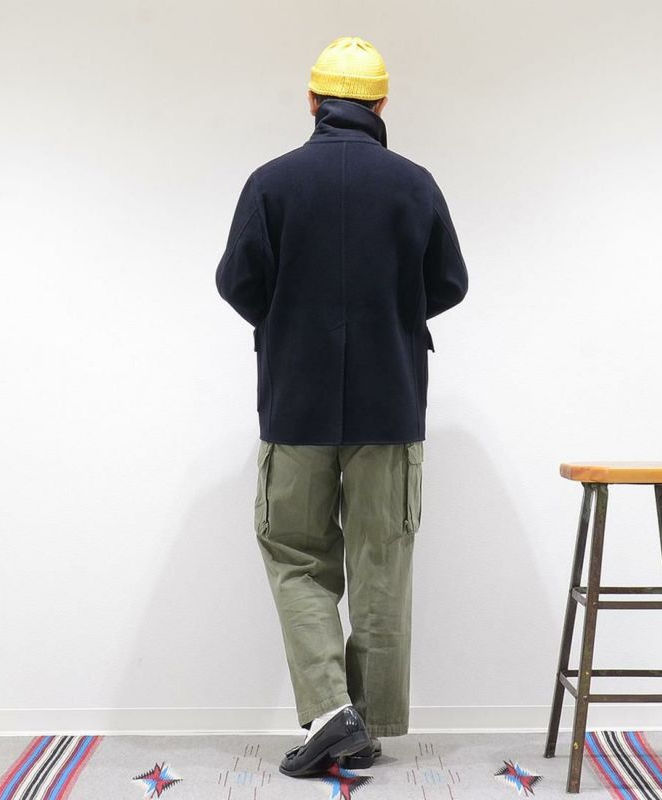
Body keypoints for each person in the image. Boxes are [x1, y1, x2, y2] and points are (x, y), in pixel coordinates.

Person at [215, 35, 468, 778]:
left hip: (295, 403)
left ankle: (332, 714)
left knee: (296, 554)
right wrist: (391, 314)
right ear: (382, 103)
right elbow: (450, 283)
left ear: (312, 100)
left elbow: (236, 282)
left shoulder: (272, 183)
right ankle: (366, 723)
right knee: (383, 558)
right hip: (391, 405)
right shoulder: (414, 184)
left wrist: (288, 321)